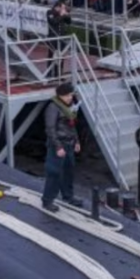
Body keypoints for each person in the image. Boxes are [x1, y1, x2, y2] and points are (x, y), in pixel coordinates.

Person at [42, 83, 82, 212]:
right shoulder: (53, 108)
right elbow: (50, 129)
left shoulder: (68, 108)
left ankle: (68, 196)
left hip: (69, 143)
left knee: (68, 171)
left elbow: (72, 126)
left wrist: (76, 141)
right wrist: (58, 147)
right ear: (60, 96)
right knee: (54, 172)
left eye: (71, 95)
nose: (70, 97)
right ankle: (47, 200)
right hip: (58, 145)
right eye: (67, 95)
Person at [46, 0, 72, 77]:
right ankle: (49, 73)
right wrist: (62, 15)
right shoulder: (50, 12)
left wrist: (66, 14)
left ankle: (59, 73)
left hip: (61, 38)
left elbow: (69, 22)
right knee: (51, 55)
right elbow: (53, 21)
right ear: (57, 7)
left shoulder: (61, 14)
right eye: (62, 7)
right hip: (53, 38)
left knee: (60, 56)